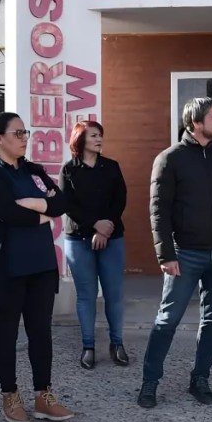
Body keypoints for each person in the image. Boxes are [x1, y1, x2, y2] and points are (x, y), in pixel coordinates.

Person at [138, 97, 212, 409]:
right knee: (168, 319)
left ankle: (200, 378)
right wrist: (166, 255)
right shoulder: (170, 159)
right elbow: (158, 212)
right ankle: (150, 382)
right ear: (196, 123)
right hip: (185, 254)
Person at [0, 112, 75, 422]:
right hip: (5, 266)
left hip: (40, 264)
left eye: (25, 132)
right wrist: (43, 209)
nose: (24, 138)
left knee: (41, 334)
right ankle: (10, 396)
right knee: (5, 336)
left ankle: (43, 396)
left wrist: (35, 205)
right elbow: (7, 213)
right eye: (17, 133)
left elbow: (61, 204)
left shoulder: (33, 171)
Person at [59, 120, 130, 370]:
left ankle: (117, 343)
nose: (99, 139)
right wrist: (95, 226)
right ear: (80, 139)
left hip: (112, 237)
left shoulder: (111, 167)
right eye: (93, 135)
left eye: (100, 135)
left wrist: (106, 227)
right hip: (79, 239)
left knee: (113, 294)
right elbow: (68, 204)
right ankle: (88, 346)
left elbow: (120, 199)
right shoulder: (69, 170)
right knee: (86, 296)